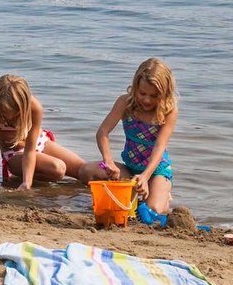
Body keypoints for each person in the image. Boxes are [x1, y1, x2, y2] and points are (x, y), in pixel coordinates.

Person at [77, 58, 179, 220]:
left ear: (165, 93)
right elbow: (102, 132)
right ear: (135, 87)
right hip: (130, 168)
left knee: (153, 211)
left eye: (154, 96)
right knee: (85, 171)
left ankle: (162, 194)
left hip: (156, 170)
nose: (147, 100)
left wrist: (145, 176)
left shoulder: (168, 111)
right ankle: (133, 193)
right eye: (142, 93)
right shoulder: (125, 102)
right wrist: (108, 161)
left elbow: (159, 147)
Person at [0, 74, 86, 190]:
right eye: (3, 112)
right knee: (58, 169)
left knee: (85, 170)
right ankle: (19, 177)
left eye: (15, 113)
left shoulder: (35, 107)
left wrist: (27, 182)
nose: (9, 118)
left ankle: (23, 179)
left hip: (39, 142)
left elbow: (29, 151)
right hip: (14, 153)